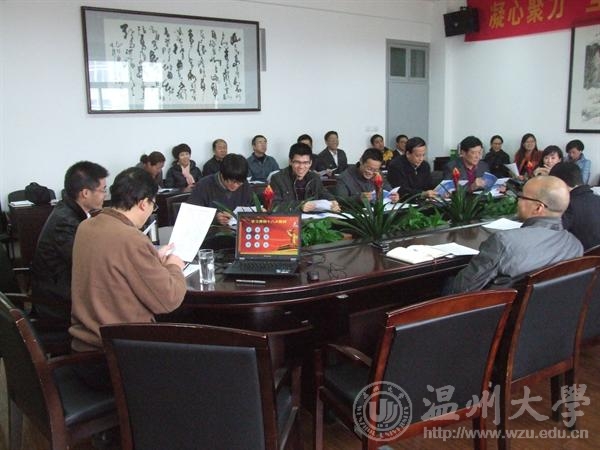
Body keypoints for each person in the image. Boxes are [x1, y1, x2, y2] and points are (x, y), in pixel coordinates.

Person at [69, 167, 186, 388]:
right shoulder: (130, 238)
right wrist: (174, 266)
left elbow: (114, 268)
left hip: (83, 352)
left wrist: (152, 258)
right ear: (143, 203)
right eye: (153, 205)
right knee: (198, 357)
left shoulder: (86, 226)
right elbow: (169, 300)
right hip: (117, 359)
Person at [449, 175, 583, 293]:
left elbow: (463, 288)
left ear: (538, 207)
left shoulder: (504, 242)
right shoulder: (575, 246)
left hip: (493, 312)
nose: (517, 201)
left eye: (522, 197)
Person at [31, 161, 108, 321]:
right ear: (85, 193)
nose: (105, 195)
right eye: (103, 190)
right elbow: (87, 263)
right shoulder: (65, 222)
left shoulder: (69, 210)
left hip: (65, 287)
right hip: (58, 301)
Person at [271, 142, 341, 212]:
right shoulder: (277, 178)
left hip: (312, 217)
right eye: (297, 162)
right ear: (290, 162)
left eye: (305, 163)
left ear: (310, 163)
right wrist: (300, 206)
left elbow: (323, 193)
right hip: (291, 218)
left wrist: (332, 202)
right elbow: (274, 206)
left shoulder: (314, 177)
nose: (301, 167)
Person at [188, 154, 253, 225]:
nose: (236, 185)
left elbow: (250, 206)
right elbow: (191, 214)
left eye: (239, 182)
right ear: (222, 174)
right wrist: (214, 218)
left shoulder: (245, 185)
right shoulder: (203, 185)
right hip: (213, 230)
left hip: (238, 229)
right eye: (232, 181)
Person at [550, 162, 600, 250]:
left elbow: (551, 235)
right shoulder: (597, 198)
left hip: (581, 256)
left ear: (561, 182)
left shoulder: (567, 205)